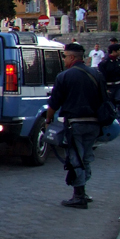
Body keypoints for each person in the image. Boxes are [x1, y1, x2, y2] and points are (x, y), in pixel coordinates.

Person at [45, 42, 106, 209]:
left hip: (75, 124)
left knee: (75, 158)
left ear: (72, 57)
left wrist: (48, 120)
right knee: (85, 157)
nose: (64, 60)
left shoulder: (64, 76)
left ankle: (78, 196)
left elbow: (54, 103)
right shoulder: (97, 74)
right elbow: (104, 99)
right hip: (94, 123)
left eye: (65, 57)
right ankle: (83, 191)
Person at [97, 42, 120, 120]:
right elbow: (102, 77)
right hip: (109, 87)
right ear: (114, 51)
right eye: (119, 50)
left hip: (119, 86)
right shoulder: (104, 63)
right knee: (111, 105)